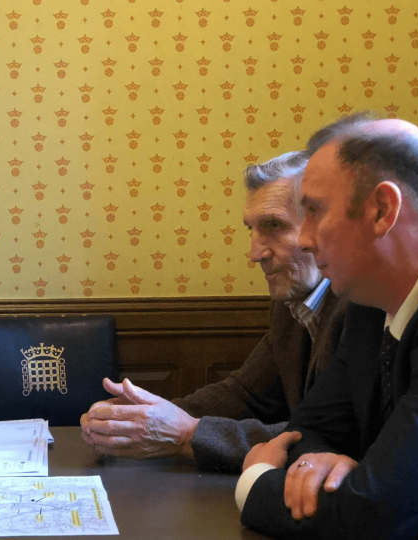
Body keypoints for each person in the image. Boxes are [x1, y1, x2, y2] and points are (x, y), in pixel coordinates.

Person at [237, 119, 418, 539]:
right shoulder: (368, 304)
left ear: (381, 210)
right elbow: (306, 432)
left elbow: (372, 516)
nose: (304, 240)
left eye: (314, 211)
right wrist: (319, 464)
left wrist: (256, 480)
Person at [80, 150, 349, 472]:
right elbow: (246, 394)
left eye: (274, 225)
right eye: (251, 229)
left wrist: (185, 433)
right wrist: (143, 417)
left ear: (321, 225)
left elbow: (330, 439)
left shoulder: (361, 306)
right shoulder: (292, 303)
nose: (254, 253)